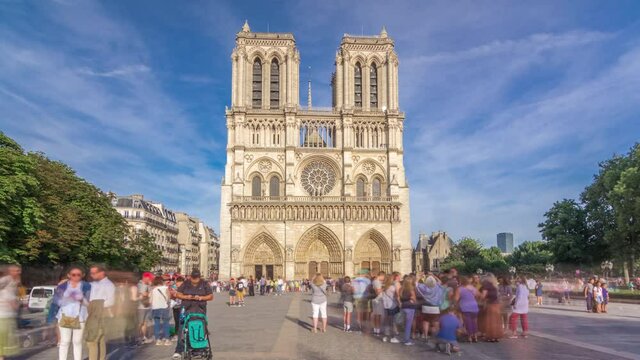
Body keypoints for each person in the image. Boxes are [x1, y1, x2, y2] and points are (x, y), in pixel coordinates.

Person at [172, 270, 213, 360]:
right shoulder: (185, 283)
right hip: (186, 309)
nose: (195, 280)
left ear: (199, 277)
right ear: (190, 277)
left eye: (196, 278)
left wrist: (202, 297)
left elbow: (210, 296)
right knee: (182, 329)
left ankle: (199, 346)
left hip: (200, 310)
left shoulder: (204, 284)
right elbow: (178, 294)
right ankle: (179, 350)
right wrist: (186, 297)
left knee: (200, 327)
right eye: (193, 278)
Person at [55, 266, 91, 360]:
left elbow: (89, 303)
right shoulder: (62, 286)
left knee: (77, 342)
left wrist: (81, 299)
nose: (76, 277)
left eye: (78, 275)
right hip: (64, 316)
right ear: (68, 275)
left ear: (82, 275)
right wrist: (67, 297)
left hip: (80, 317)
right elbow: (56, 301)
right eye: (73, 275)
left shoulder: (86, 286)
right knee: (64, 342)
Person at [86, 265, 116, 360]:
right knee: (100, 341)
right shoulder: (94, 284)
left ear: (102, 272)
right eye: (91, 273)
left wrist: (95, 305)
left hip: (101, 315)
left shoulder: (109, 285)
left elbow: (111, 302)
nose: (92, 275)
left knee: (92, 341)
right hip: (93, 315)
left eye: (94, 273)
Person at [416, 274, 444, 344]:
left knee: (426, 321)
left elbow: (416, 284)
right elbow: (440, 282)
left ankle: (425, 336)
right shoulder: (437, 287)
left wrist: (418, 277)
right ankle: (437, 336)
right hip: (435, 307)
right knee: (436, 322)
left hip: (426, 306)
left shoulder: (424, 287)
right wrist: (434, 276)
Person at [0, 265, 21, 360]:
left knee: (8, 336)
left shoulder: (16, 281)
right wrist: (7, 300)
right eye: (16, 270)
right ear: (10, 271)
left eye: (19, 270)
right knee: (2, 335)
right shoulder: (6, 279)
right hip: (2, 313)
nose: (18, 272)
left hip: (10, 314)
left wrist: (15, 302)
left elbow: (14, 294)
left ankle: (2, 356)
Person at [455, 276, 479, 343]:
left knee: (468, 322)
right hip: (474, 306)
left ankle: (470, 337)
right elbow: (479, 295)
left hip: (465, 307)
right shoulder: (472, 288)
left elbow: (456, 299)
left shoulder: (459, 289)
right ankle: (475, 336)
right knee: (474, 322)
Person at [479, 276, 503, 342]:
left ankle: (490, 336)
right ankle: (496, 337)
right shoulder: (494, 286)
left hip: (490, 304)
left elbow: (483, 296)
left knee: (490, 321)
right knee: (496, 321)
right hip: (497, 304)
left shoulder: (486, 286)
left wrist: (479, 297)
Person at [150, 276, 172, 346]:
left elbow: (150, 300)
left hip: (155, 307)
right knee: (166, 323)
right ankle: (167, 340)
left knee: (156, 324)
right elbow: (169, 298)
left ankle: (158, 340)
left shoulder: (153, 289)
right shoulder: (165, 288)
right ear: (161, 281)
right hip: (164, 307)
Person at [381, 273, 401, 343]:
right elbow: (397, 296)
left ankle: (385, 336)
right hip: (392, 306)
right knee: (392, 322)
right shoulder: (392, 287)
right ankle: (393, 337)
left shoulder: (383, 287)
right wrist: (399, 303)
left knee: (386, 322)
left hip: (385, 306)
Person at [399, 275, 417, 346]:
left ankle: (404, 338)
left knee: (404, 324)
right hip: (410, 308)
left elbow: (399, 297)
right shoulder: (411, 290)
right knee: (408, 325)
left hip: (403, 307)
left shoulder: (401, 289)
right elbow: (414, 299)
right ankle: (407, 340)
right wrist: (413, 300)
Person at [137, 272, 154, 344]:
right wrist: (146, 294)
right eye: (149, 278)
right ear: (146, 277)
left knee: (144, 323)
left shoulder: (148, 285)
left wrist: (150, 287)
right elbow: (142, 294)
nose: (150, 280)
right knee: (140, 323)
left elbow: (150, 293)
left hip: (147, 306)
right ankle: (138, 337)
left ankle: (143, 337)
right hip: (140, 306)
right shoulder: (140, 284)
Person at [371, 271, 386, 336]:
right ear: (382, 275)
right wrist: (384, 288)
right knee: (378, 316)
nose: (384, 278)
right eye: (384, 277)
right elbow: (378, 292)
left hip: (376, 300)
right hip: (378, 300)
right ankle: (377, 331)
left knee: (377, 315)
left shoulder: (375, 281)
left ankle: (376, 330)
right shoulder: (377, 282)